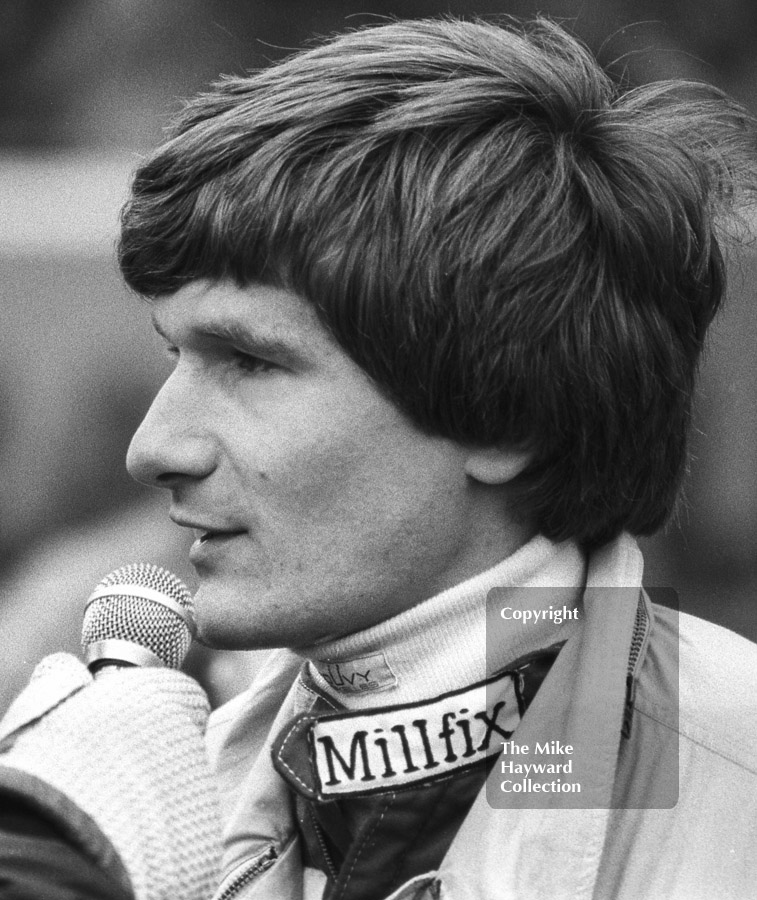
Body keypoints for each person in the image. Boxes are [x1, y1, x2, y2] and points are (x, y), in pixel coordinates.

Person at [2, 15, 757, 900]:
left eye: (250, 361)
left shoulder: (732, 781)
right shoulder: (159, 803)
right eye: (176, 355)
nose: (153, 449)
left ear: (504, 416)